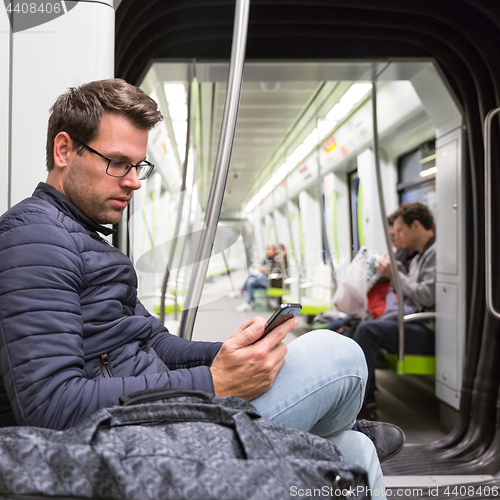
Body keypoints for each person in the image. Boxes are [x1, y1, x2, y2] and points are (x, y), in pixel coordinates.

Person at [0, 79, 402, 498]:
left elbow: (154, 340)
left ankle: (337, 427)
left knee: (353, 450)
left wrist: (228, 355)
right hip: (130, 438)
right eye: (118, 163)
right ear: (64, 150)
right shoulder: (34, 240)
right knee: (339, 355)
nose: (134, 181)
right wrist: (214, 383)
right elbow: (49, 406)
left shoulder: (83, 239)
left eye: (139, 166)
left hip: (160, 413)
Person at [348, 202, 436, 419]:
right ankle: (361, 395)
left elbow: (427, 296)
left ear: (415, 225)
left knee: (368, 331)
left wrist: (395, 275)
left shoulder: (436, 254)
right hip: (413, 322)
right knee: (356, 326)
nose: (397, 236)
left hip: (429, 330)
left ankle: (362, 405)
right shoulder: (419, 256)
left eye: (400, 231)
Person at [236, 243, 277, 311]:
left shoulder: (276, 259)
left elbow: (274, 272)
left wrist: (265, 270)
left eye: (270, 250)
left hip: (270, 281)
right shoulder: (266, 259)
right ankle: (248, 302)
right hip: (263, 278)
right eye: (268, 250)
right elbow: (261, 267)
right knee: (250, 281)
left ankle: (242, 291)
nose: (269, 251)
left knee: (251, 275)